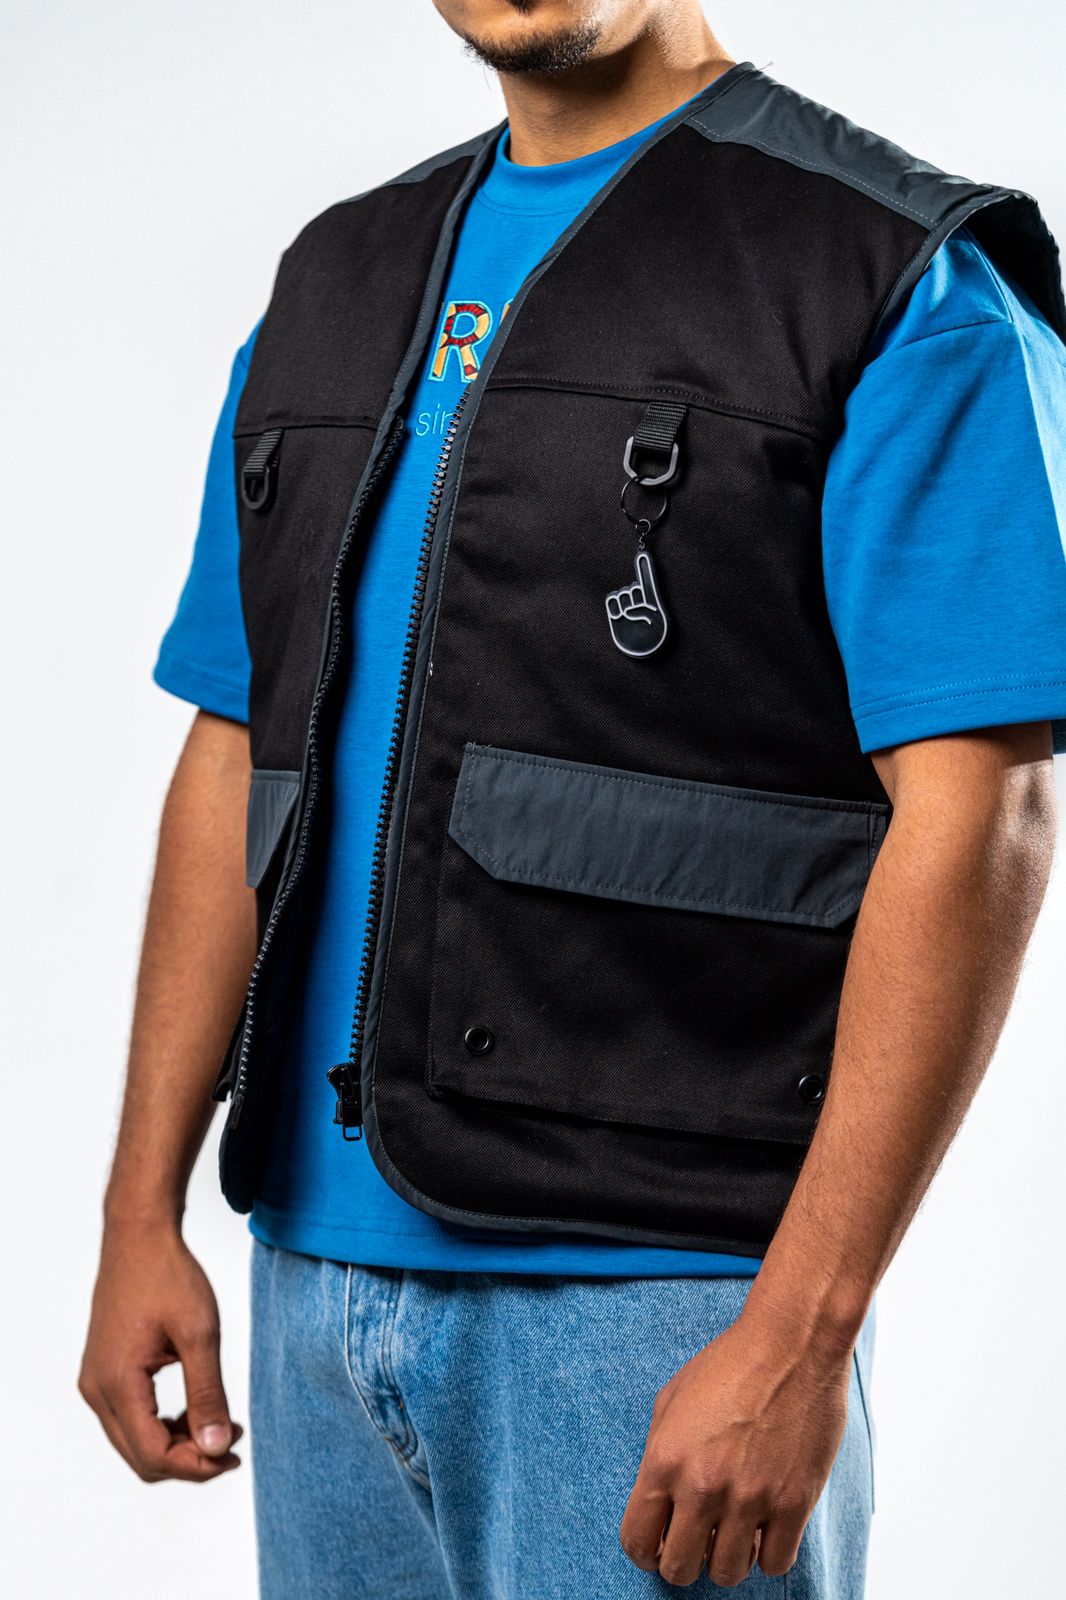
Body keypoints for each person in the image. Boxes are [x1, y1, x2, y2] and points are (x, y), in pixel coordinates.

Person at [78, 2, 1066, 1595]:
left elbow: (981, 816)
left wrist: (800, 1333)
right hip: (307, 1282)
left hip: (660, 1307)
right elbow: (232, 758)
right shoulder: (337, 274)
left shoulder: (889, 273)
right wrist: (141, 1210)